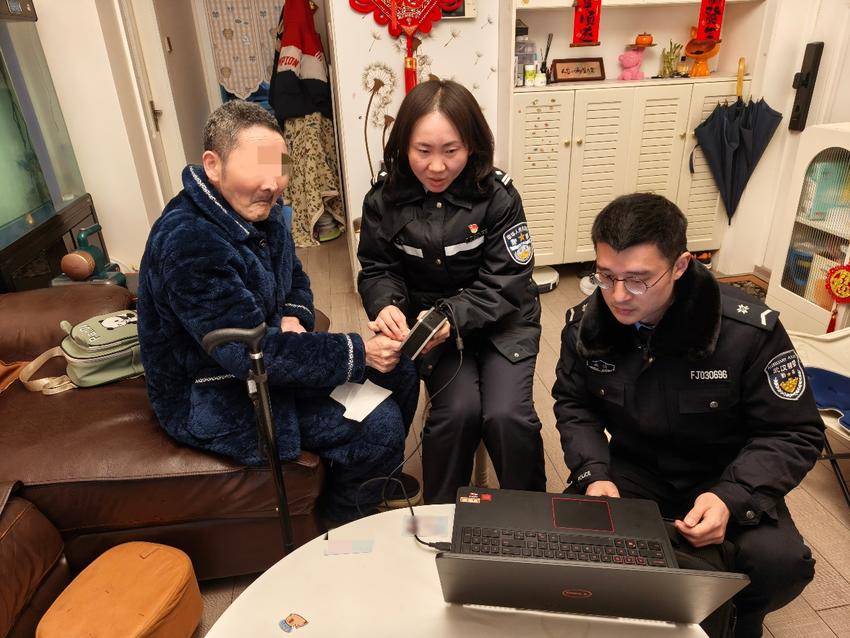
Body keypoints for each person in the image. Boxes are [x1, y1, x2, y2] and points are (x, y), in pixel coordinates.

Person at [553, 193, 824, 637]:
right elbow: (573, 403)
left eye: (638, 280)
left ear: (679, 266)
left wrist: (730, 498)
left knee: (780, 564)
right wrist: (593, 473)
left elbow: (794, 432)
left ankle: (736, 621)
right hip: (634, 470)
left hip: (728, 472)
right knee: (570, 545)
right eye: (605, 276)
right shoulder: (588, 325)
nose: (618, 295)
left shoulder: (745, 331)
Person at [137, 100, 421, 524]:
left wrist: (293, 316)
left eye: (280, 167)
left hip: (268, 360)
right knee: (379, 426)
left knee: (401, 372)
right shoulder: (189, 242)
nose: (273, 183)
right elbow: (250, 354)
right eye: (258, 167)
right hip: (217, 391)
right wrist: (359, 351)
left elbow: (296, 279)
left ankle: (370, 480)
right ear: (213, 165)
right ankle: (339, 520)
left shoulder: (258, 210)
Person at [357, 80, 546, 504]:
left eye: (451, 151)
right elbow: (378, 268)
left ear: (472, 145)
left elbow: (508, 280)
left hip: (504, 325)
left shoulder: (498, 195)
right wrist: (387, 305)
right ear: (403, 145)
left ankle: (534, 517)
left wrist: (449, 316)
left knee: (507, 416)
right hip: (434, 331)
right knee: (456, 413)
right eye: (423, 151)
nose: (437, 166)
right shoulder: (384, 198)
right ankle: (439, 519)